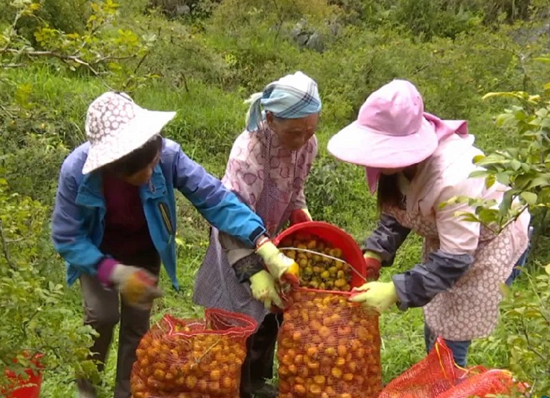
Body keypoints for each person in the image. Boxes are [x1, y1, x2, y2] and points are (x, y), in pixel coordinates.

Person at [51, 91, 299, 398]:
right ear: (113, 166)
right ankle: (85, 389)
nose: (150, 174)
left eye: (153, 164)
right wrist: (114, 273)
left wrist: (262, 241)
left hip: (144, 249)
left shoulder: (168, 155)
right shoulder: (77, 171)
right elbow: (67, 236)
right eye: (139, 173)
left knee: (136, 326)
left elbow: (215, 199)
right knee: (101, 317)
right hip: (97, 254)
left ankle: (126, 392)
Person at [326, 79, 531, 367]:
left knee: (452, 331)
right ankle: (436, 375)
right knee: (437, 321)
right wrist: (375, 252)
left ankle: (447, 383)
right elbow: (400, 210)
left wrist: (394, 290)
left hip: (488, 244)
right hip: (449, 243)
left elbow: (454, 259)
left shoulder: (454, 176)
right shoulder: (399, 168)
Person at [193, 71, 321, 398]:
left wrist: (300, 215)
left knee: (269, 314)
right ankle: (227, 383)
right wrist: (252, 271)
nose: (304, 139)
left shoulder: (308, 143)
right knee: (236, 317)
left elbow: (295, 187)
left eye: (311, 129)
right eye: (295, 132)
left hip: (273, 241)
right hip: (235, 241)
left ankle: (256, 381)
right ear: (271, 119)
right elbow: (228, 216)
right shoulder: (248, 151)